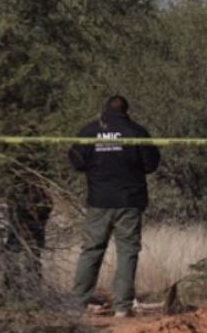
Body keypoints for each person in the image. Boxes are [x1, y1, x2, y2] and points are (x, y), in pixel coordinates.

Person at [68, 95, 161, 317]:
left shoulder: (89, 131)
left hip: (99, 201)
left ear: (104, 110)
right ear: (127, 112)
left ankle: (78, 303)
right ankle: (122, 307)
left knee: (91, 250)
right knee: (127, 252)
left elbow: (76, 161)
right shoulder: (137, 132)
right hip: (129, 201)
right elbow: (151, 164)